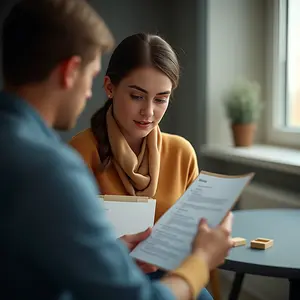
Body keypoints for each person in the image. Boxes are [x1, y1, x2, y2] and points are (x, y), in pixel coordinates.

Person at [0, 1, 234, 300]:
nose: (88, 92)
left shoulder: (17, 147)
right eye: (91, 74)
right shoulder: (53, 168)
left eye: (161, 98)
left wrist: (109, 252)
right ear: (71, 71)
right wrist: (201, 261)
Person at [68, 32, 220, 299]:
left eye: (161, 99)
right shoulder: (79, 153)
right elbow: (66, 249)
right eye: (137, 96)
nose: (149, 112)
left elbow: (193, 232)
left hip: (170, 275)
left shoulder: (182, 153)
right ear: (109, 87)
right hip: (105, 280)